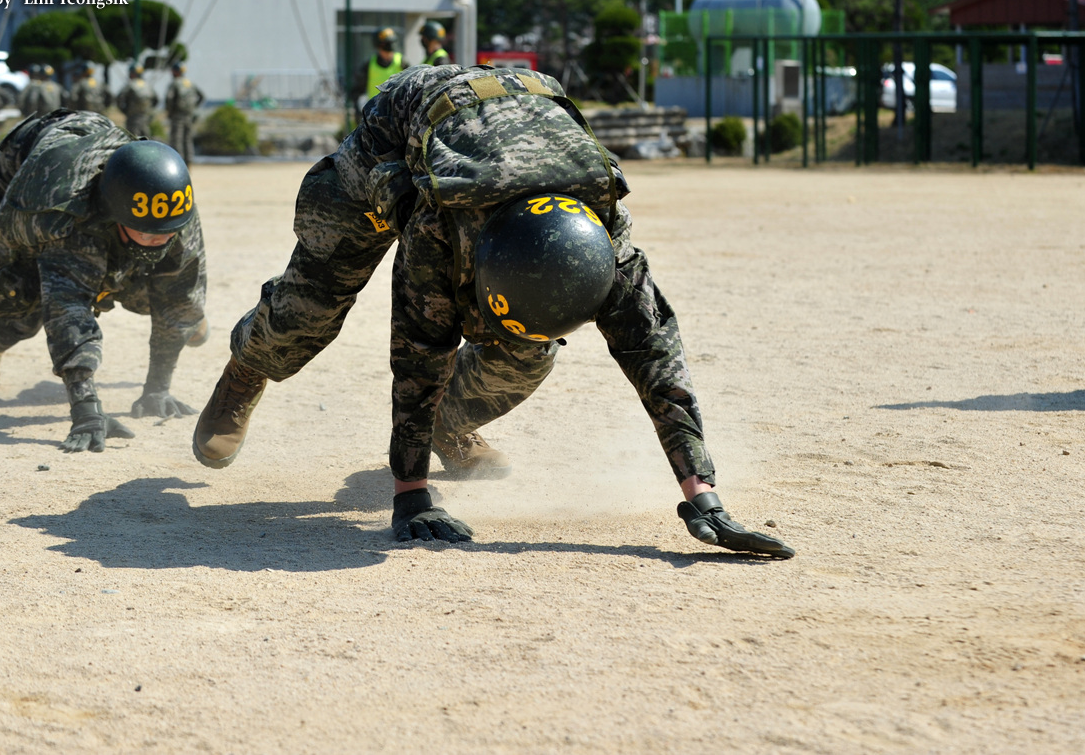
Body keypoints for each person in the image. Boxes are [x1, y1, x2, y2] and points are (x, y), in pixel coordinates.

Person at [189, 64, 796, 557]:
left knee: (528, 353)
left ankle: (452, 428)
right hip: (397, 144)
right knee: (308, 312)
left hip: (519, 137)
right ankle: (247, 369)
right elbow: (418, 351)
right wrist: (411, 495)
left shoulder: (605, 237)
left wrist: (703, 492)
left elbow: (656, 356)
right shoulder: (435, 224)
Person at [0, 109, 209, 453]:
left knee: (166, 297)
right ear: (116, 214)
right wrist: (87, 410)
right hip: (29, 178)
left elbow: (180, 294)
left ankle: (181, 326)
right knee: (28, 298)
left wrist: (157, 389)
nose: (156, 238)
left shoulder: (173, 213)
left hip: (100, 163)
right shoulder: (64, 214)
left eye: (163, 232)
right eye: (145, 231)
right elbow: (68, 311)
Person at [352, 27, 406, 105]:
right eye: (386, 44)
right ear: (379, 46)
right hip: (375, 111)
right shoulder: (369, 65)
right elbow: (357, 89)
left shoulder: (402, 63)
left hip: (397, 111)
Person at [164, 63, 205, 164]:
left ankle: (178, 161)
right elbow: (201, 96)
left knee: (176, 139)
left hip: (177, 116)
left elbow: (169, 98)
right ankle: (189, 161)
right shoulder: (190, 83)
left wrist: (170, 112)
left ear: (175, 71)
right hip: (189, 115)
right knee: (187, 139)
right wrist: (194, 108)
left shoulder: (175, 83)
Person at [116, 64, 159, 140]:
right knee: (146, 139)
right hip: (145, 117)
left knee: (133, 139)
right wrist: (149, 110)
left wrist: (125, 110)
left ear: (132, 73)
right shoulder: (148, 86)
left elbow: (119, 98)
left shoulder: (130, 85)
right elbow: (156, 100)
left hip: (133, 118)